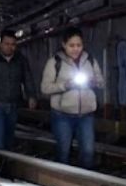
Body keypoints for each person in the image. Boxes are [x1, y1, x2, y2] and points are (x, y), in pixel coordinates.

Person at [40, 27, 106, 169]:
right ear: (64, 44)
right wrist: (65, 85)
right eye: (71, 45)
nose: (76, 49)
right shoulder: (54, 62)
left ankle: (84, 184)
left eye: (79, 45)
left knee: (88, 152)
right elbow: (45, 88)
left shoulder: (90, 60)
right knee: (63, 152)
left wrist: (95, 81)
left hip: (86, 115)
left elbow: (101, 81)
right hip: (62, 115)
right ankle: (62, 183)